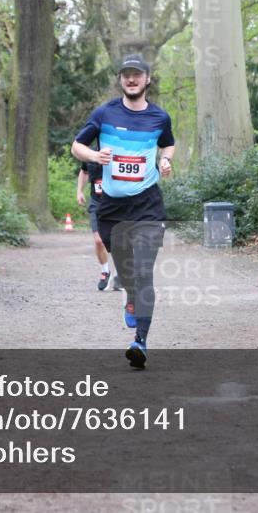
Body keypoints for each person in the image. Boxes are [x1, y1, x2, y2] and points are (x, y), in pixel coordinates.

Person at [71, 54, 174, 369]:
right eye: (126, 75)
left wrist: (165, 160)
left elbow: (168, 144)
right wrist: (94, 154)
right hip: (111, 209)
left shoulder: (160, 118)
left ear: (147, 79)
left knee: (143, 272)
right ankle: (129, 293)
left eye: (137, 75)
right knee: (128, 271)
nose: (132, 80)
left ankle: (139, 342)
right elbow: (77, 146)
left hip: (147, 205)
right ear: (120, 80)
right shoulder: (104, 113)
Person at [76, 159, 112, 290]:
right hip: (97, 204)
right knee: (98, 240)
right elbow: (84, 171)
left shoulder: (119, 152)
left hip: (118, 204)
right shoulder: (89, 155)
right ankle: (105, 271)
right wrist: (79, 191)